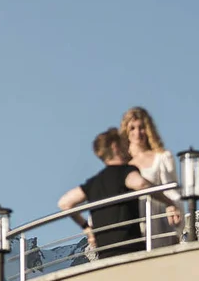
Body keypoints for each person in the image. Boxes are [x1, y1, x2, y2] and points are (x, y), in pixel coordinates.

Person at [58, 129, 152, 260]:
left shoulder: (93, 183)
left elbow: (65, 203)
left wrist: (86, 227)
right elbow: (141, 183)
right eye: (124, 143)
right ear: (115, 147)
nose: (128, 147)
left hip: (105, 256)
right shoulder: (126, 171)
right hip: (131, 251)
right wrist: (167, 201)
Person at [121, 107, 183, 248]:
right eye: (132, 128)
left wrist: (175, 225)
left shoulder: (161, 158)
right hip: (132, 228)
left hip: (157, 224)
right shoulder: (122, 165)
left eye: (141, 127)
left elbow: (173, 191)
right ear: (126, 131)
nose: (137, 133)